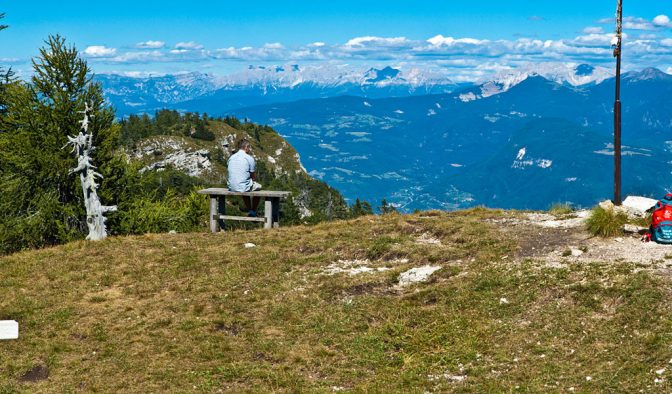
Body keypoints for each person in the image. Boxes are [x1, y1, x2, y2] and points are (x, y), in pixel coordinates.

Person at [228, 139, 262, 217]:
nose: (249, 149)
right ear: (246, 147)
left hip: (231, 186)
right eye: (249, 147)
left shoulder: (231, 157)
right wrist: (253, 180)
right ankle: (253, 210)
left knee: (244, 186)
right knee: (258, 188)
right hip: (243, 186)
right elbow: (252, 174)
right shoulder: (249, 158)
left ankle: (250, 210)